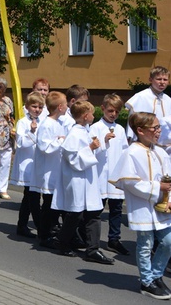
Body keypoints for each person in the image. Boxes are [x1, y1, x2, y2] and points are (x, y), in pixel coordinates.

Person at [110, 112, 171, 300]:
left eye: (159, 127)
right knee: (146, 244)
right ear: (140, 130)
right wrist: (156, 187)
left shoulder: (160, 152)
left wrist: (170, 198)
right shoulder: (131, 152)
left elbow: (170, 180)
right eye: (154, 128)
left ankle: (156, 274)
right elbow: (131, 183)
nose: (158, 131)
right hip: (142, 207)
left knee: (169, 241)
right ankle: (147, 281)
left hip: (162, 207)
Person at [52, 100, 115, 264]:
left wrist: (101, 144)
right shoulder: (74, 134)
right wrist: (91, 148)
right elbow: (73, 158)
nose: (94, 116)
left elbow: (90, 152)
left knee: (94, 213)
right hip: (77, 180)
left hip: (88, 179)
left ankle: (92, 250)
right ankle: (63, 242)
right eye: (92, 113)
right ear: (86, 116)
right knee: (76, 214)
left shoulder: (84, 131)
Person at [89, 93, 130, 256]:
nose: (113, 114)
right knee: (96, 209)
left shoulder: (120, 129)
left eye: (117, 112)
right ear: (103, 108)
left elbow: (125, 151)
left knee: (116, 209)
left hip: (115, 175)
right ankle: (91, 239)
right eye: (111, 110)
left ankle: (114, 239)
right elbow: (92, 150)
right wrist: (104, 141)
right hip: (100, 174)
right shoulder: (95, 128)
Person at [30, 91, 67, 247]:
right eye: (65, 104)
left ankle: (51, 231)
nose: (67, 107)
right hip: (47, 171)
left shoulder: (59, 123)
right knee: (48, 205)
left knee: (54, 205)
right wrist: (60, 141)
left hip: (57, 169)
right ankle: (44, 235)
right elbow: (44, 147)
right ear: (59, 107)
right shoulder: (46, 124)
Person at [10, 91, 44, 238]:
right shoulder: (22, 122)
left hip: (38, 163)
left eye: (40, 107)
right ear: (28, 106)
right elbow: (22, 143)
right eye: (34, 106)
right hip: (27, 164)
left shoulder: (43, 121)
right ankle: (41, 226)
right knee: (33, 197)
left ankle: (22, 225)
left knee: (28, 197)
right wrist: (31, 131)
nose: (37, 109)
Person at [126, 66, 171, 153]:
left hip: (166, 146)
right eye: (159, 79)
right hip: (145, 143)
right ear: (151, 80)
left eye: (165, 80)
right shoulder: (141, 97)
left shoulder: (169, 100)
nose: (162, 82)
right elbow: (132, 121)